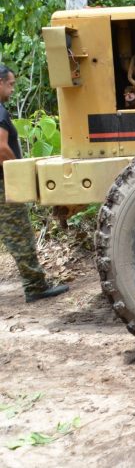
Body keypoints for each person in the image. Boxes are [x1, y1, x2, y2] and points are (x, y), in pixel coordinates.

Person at [0, 64, 68, 303]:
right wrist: (19, 173)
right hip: (2, 185)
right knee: (19, 236)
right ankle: (35, 286)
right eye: (10, 84)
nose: (13, 89)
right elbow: (1, 148)